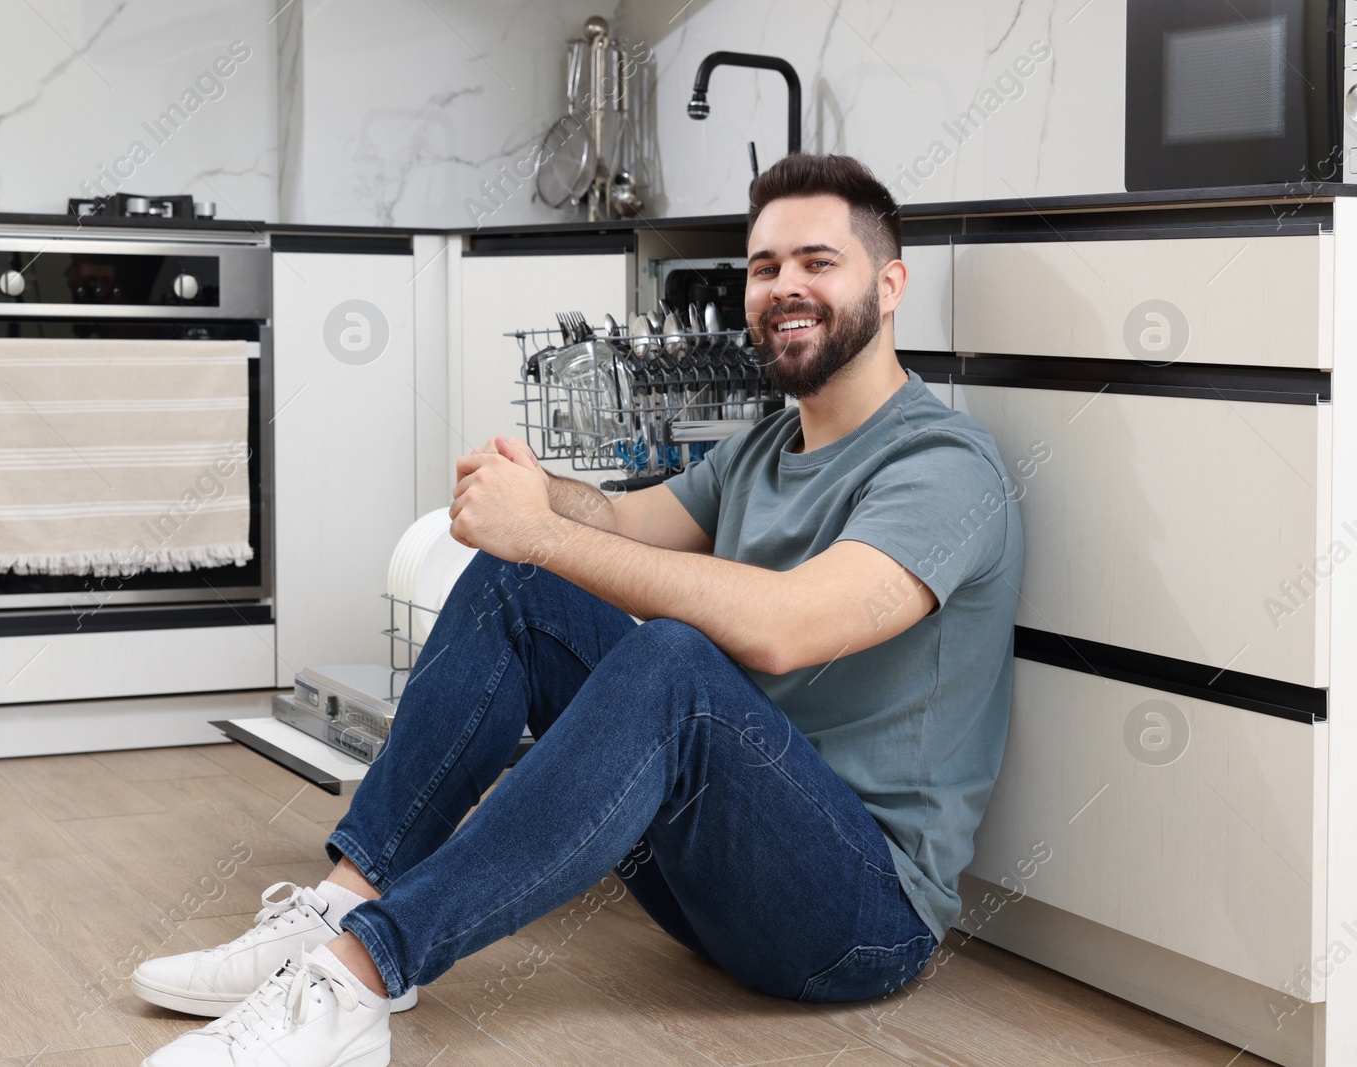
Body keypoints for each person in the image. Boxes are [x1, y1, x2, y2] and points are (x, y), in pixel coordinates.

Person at [137, 152, 1024, 1067]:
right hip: (724, 881)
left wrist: (544, 534)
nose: (784, 287)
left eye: (816, 262)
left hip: (858, 920)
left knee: (674, 659)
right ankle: (340, 907)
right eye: (764, 268)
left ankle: (361, 976)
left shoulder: (942, 467)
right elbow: (627, 522)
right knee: (524, 584)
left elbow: (783, 628)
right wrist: (536, 494)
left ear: (890, 285)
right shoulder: (767, 447)